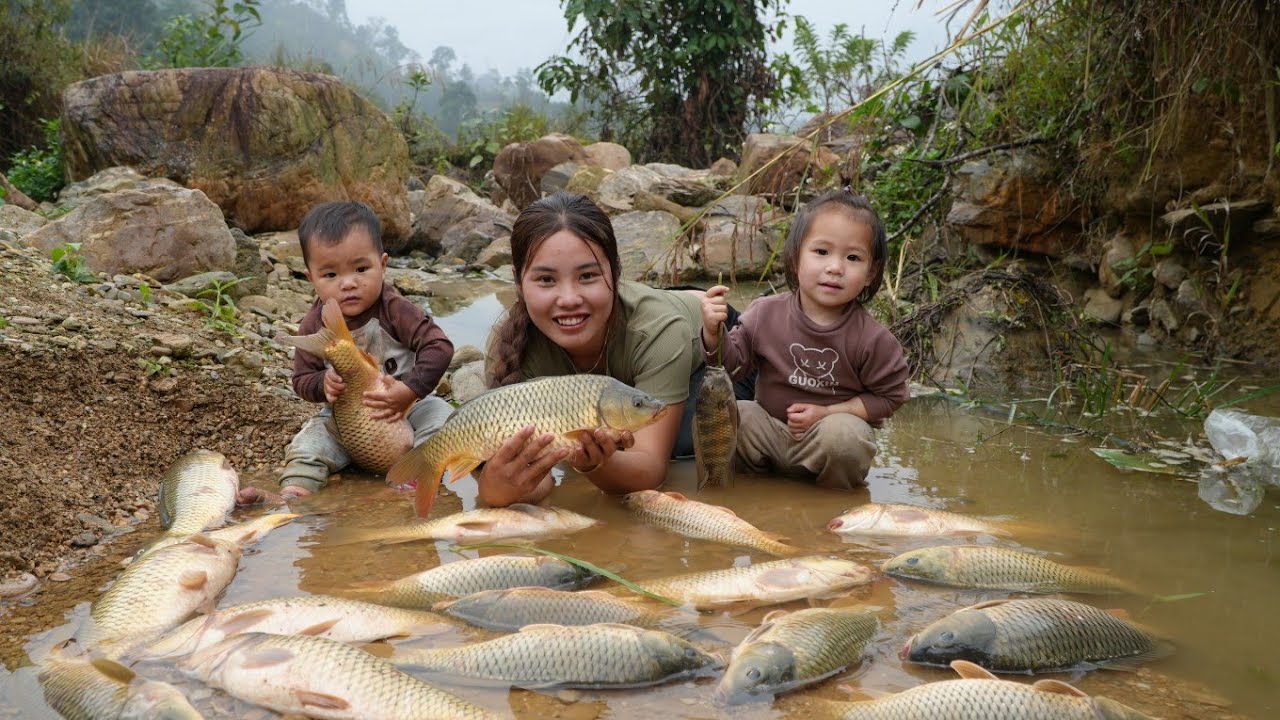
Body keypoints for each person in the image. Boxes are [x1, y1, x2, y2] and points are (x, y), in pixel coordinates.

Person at [476, 192, 738, 507]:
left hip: (712, 345)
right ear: (519, 283)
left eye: (587, 276)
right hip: (628, 340)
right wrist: (496, 488)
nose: (569, 299)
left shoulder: (660, 330)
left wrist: (596, 465)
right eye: (546, 280)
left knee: (683, 445)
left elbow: (650, 472)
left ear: (615, 272)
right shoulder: (510, 342)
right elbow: (535, 481)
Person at [238, 202, 455, 503]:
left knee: (442, 415)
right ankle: (293, 494)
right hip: (345, 421)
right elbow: (301, 380)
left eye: (361, 269)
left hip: (406, 409)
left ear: (383, 265)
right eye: (330, 274)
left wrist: (409, 390)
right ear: (311, 278)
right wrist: (322, 383)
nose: (349, 283)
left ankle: (415, 479)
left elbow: (439, 346)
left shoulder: (397, 310)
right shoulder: (314, 325)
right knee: (309, 443)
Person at [700, 188, 909, 489]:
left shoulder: (873, 339)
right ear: (795, 258)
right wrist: (713, 332)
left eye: (852, 257)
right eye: (821, 252)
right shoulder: (765, 313)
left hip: (825, 440)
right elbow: (731, 367)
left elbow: (890, 397)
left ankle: (831, 504)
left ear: (871, 273)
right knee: (738, 414)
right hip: (768, 434)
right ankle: (747, 495)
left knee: (846, 435)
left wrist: (829, 412)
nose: (835, 268)